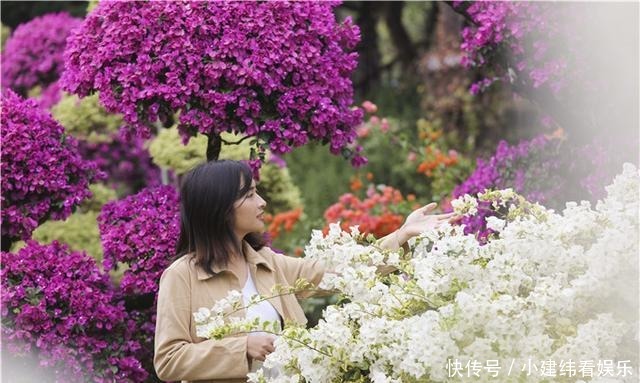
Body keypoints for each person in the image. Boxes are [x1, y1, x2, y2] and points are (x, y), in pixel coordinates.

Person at [154, 160, 455, 383]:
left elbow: (342, 273)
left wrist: (401, 235)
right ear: (218, 207)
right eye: (249, 195)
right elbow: (168, 360)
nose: (262, 203)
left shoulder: (267, 263)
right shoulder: (182, 276)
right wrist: (241, 348)